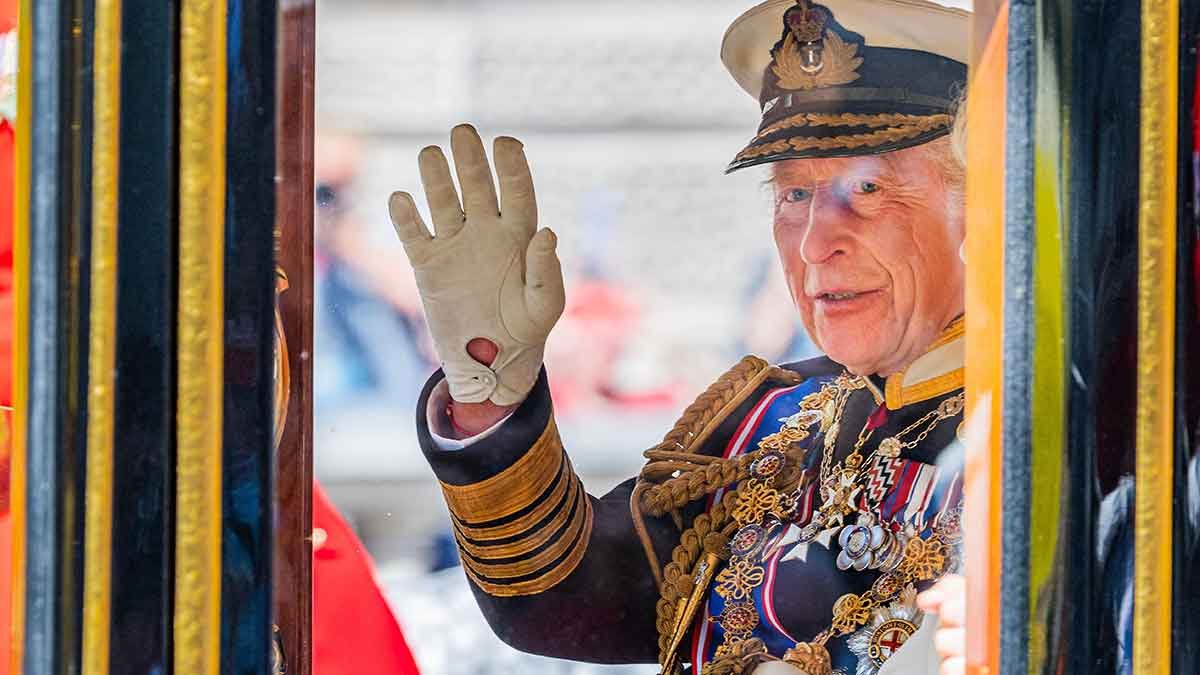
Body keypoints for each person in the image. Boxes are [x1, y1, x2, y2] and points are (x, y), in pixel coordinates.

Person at [387, 1, 969, 673]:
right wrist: (491, 392)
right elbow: (568, 600)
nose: (813, 244)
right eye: (792, 196)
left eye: (865, 188)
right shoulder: (773, 420)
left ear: (978, 204)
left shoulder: (1045, 432)